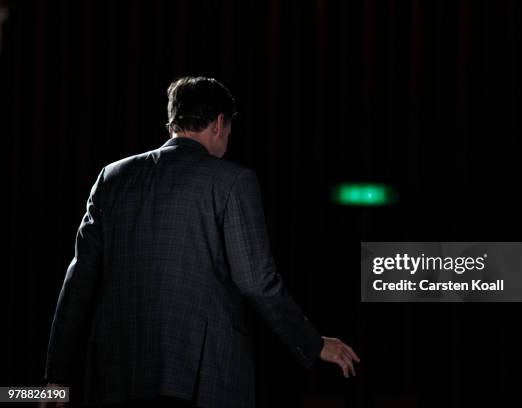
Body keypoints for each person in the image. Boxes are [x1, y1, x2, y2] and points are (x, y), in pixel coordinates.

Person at [42, 76, 360, 407]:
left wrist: (56, 376)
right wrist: (312, 343)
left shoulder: (112, 177)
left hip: (119, 376)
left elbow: (79, 280)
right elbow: (256, 282)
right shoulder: (233, 181)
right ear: (220, 123)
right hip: (204, 382)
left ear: (172, 124)